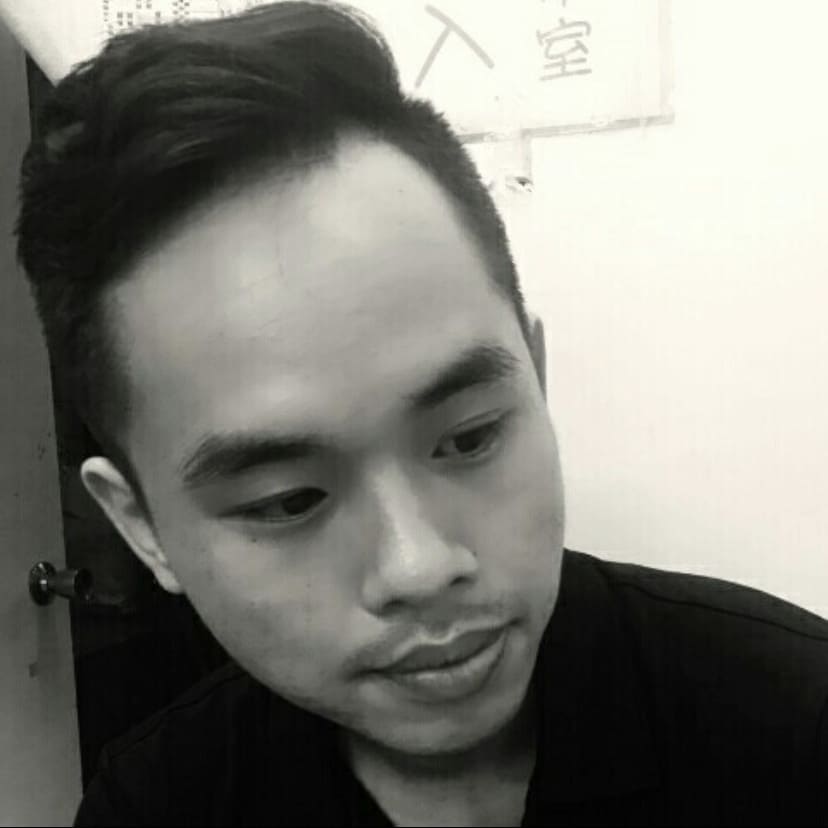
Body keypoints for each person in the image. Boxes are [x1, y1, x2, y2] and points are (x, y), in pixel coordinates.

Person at [14, 2, 828, 825]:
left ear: (536, 376)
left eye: (469, 437)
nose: (421, 567)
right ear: (142, 527)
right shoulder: (152, 808)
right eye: (289, 501)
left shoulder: (794, 726)